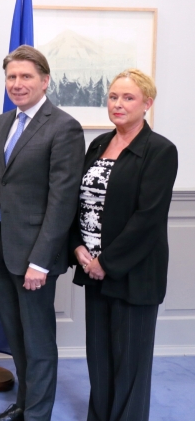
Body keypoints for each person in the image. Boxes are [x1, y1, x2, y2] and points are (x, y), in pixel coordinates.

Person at [0, 45, 85, 421]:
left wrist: (41, 260)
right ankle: (24, 405)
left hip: (35, 257)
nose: (18, 84)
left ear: (45, 81)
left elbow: (62, 201)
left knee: (38, 340)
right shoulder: (0, 123)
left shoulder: (64, 127)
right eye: (12, 77)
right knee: (17, 336)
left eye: (26, 77)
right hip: (0, 250)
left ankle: (38, 415)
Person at [70, 69, 177, 421]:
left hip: (133, 275)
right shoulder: (98, 144)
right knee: (99, 360)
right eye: (113, 97)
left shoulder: (159, 150)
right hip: (92, 271)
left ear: (147, 103)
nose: (118, 104)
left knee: (129, 366)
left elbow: (147, 219)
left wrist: (107, 262)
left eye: (128, 98)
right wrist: (78, 249)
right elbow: (80, 203)